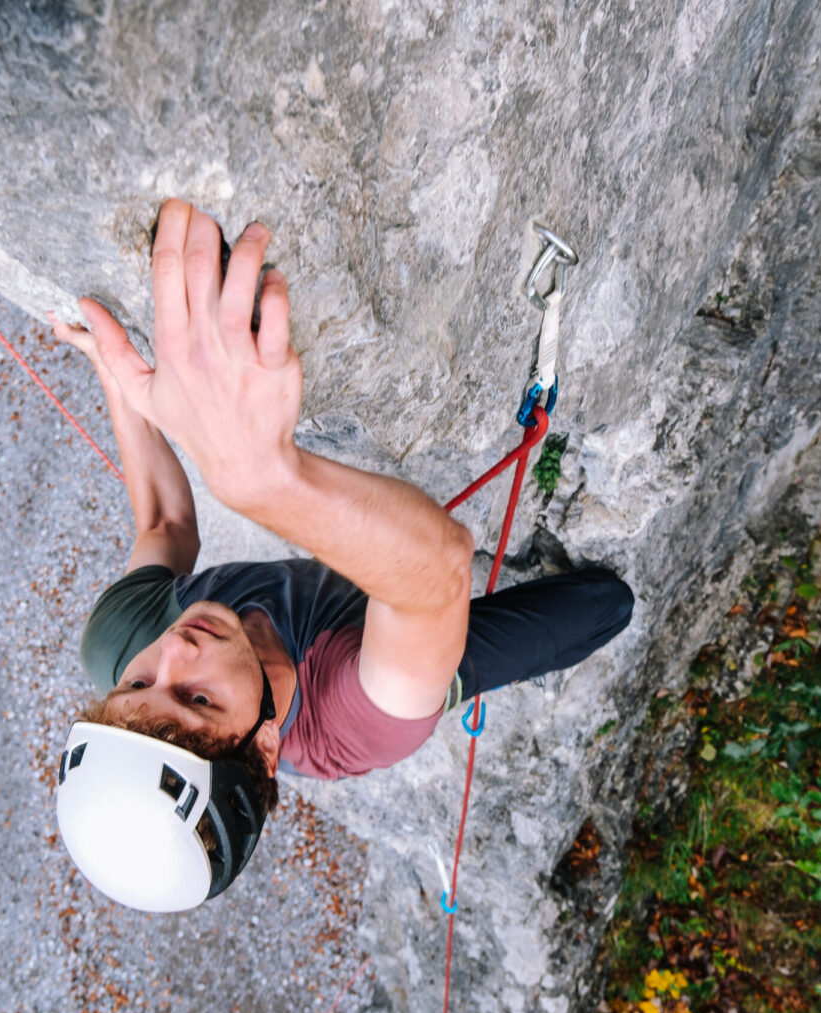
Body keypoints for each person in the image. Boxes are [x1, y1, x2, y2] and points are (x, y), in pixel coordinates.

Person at [48, 199, 632, 913]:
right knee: (601, 607)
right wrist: (264, 479)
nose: (172, 653)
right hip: (383, 651)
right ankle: (443, 668)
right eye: (199, 699)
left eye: (137, 688)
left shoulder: (117, 644)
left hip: (361, 609)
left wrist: (117, 373)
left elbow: (165, 522)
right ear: (264, 748)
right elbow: (439, 568)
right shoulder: (354, 721)